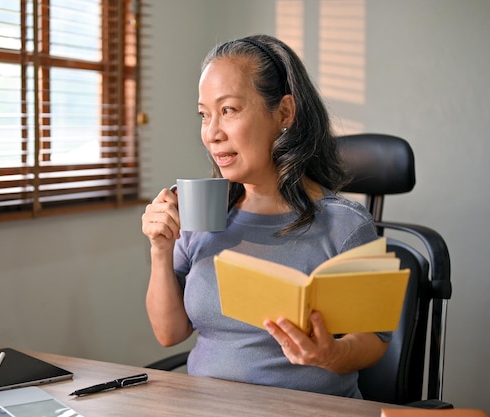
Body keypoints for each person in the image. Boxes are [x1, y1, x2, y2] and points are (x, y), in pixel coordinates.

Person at [141, 34, 388, 398]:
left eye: (229, 110)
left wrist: (332, 354)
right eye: (204, 115)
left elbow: (374, 340)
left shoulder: (346, 225)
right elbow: (170, 334)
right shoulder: (201, 214)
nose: (211, 133)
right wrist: (160, 250)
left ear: (284, 113)